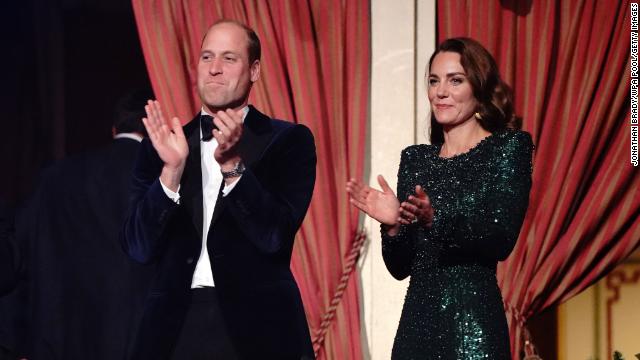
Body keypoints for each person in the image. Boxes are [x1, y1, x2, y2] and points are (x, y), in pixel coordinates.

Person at [121, 20, 316, 359]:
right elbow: (138, 247)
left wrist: (232, 167)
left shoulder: (288, 141)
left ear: (254, 70)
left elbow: (273, 236)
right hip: (175, 330)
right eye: (206, 57)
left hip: (259, 330)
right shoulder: (165, 145)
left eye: (229, 58)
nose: (214, 69)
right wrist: (171, 173)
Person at [347, 37, 533, 359]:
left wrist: (436, 218)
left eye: (455, 80)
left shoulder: (508, 148)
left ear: (478, 87)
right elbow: (400, 267)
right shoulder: (416, 159)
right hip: (415, 329)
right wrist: (393, 227)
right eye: (434, 81)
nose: (440, 92)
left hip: (472, 326)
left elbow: (500, 237)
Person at [13, 88, 155, 360]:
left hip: (63, 334)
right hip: (137, 337)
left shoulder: (55, 177)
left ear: (114, 129)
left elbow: (21, 254)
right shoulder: (164, 181)